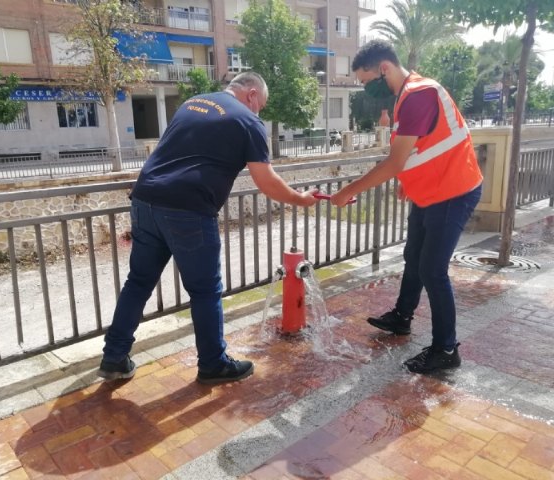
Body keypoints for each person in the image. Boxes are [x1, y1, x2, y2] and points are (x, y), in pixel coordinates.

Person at [99, 72, 318, 384]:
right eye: (261, 106)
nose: (260, 113)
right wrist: (300, 198)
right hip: (188, 209)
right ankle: (213, 363)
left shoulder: (193, 103)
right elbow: (266, 180)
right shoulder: (248, 120)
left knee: (138, 282)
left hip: (145, 199)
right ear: (252, 94)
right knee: (205, 291)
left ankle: (114, 357)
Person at [330, 40, 483, 374]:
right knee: (413, 256)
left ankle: (445, 349)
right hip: (431, 191)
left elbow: (395, 161)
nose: (365, 88)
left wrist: (348, 191)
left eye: (366, 80)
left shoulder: (418, 95)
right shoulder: (406, 97)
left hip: (453, 191)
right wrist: (408, 179)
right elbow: (419, 149)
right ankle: (402, 317)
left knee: (432, 270)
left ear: (384, 69)